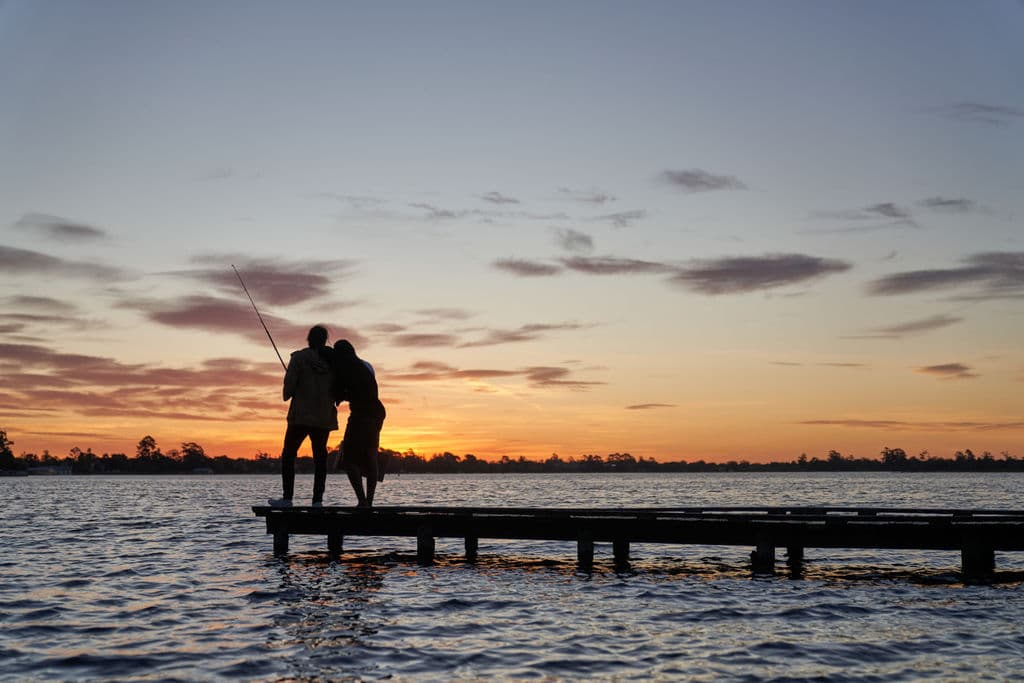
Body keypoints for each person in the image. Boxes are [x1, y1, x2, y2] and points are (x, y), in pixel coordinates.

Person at [268, 325, 338, 508]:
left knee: (289, 455)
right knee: (320, 459)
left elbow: (288, 391)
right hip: (323, 417)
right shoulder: (333, 362)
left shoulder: (299, 358)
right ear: (325, 340)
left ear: (309, 339)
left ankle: (287, 498)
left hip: (300, 416)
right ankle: (317, 501)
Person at [333, 339, 387, 507]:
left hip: (361, 415)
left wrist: (339, 395)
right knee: (371, 455)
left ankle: (362, 501)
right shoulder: (366, 366)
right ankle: (369, 501)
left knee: (348, 459)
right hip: (377, 413)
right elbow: (364, 391)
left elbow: (341, 394)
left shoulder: (345, 370)